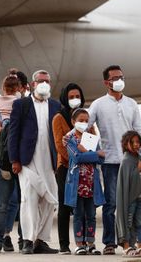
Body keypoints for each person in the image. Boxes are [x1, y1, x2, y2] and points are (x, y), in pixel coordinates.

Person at [88, 65, 141, 255]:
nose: (119, 80)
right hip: (110, 162)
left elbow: (138, 131)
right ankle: (110, 242)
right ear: (106, 82)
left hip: (131, 162)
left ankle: (132, 242)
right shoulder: (98, 104)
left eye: (121, 76)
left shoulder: (131, 104)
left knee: (133, 203)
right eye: (115, 78)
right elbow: (85, 127)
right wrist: (95, 150)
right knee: (111, 204)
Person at [8, 70, 61, 254]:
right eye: (41, 81)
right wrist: (14, 159)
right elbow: (13, 134)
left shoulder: (55, 105)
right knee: (28, 200)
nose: (44, 84)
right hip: (27, 161)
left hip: (50, 161)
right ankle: (28, 240)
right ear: (32, 84)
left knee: (50, 201)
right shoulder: (21, 104)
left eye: (47, 81)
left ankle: (41, 240)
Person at [0, 71, 24, 254]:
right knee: (11, 203)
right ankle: (3, 239)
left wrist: (6, 127)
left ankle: (2, 239)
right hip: (11, 158)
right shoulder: (23, 104)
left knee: (8, 203)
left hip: (5, 158)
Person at [65, 108, 105, 255]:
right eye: (80, 120)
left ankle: (91, 243)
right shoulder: (70, 140)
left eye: (86, 121)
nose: (84, 123)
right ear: (73, 122)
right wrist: (93, 154)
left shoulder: (92, 139)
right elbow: (76, 157)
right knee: (78, 214)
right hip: (77, 185)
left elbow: (102, 158)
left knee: (91, 215)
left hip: (91, 185)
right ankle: (79, 243)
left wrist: (86, 151)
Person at [52, 83, 86, 254]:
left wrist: (86, 158)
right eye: (71, 97)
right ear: (65, 98)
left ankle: (85, 242)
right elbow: (60, 146)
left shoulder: (84, 117)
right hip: (65, 167)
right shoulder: (59, 117)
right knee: (65, 206)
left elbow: (91, 138)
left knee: (85, 205)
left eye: (77, 96)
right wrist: (77, 158)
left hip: (85, 168)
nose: (75, 100)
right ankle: (64, 244)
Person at [116, 131, 141, 257]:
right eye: (133, 142)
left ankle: (139, 246)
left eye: (138, 142)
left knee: (139, 222)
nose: (136, 145)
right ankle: (127, 246)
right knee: (128, 222)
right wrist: (138, 169)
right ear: (126, 144)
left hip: (139, 197)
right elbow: (129, 179)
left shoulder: (138, 157)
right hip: (130, 199)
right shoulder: (126, 160)